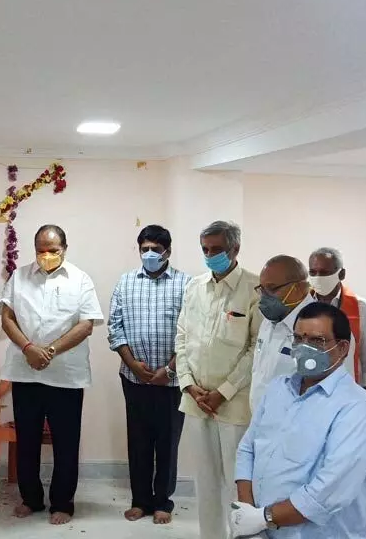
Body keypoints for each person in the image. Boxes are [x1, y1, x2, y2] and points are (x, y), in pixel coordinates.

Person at [230, 302, 366, 538]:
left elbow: (328, 491)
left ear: (343, 348)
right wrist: (248, 512)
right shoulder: (277, 389)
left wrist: (264, 518)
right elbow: (247, 449)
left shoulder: (358, 409)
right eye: (298, 338)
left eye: (317, 341)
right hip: (262, 530)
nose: (304, 347)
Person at [0, 224, 104, 525]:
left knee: (66, 441)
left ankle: (63, 503)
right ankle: (30, 498)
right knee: (26, 439)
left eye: (53, 251)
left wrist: (50, 350)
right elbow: (7, 317)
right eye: (41, 250)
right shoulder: (19, 277)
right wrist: (29, 347)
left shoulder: (80, 279)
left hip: (66, 376)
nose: (46, 255)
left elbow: (86, 324)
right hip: (25, 371)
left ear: (64, 249)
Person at [174, 220, 261, 539]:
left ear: (235, 249)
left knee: (237, 484)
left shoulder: (254, 289)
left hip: (234, 406)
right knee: (206, 483)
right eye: (205, 250)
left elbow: (256, 349)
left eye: (216, 250)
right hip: (196, 403)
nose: (210, 256)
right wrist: (188, 383)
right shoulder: (194, 286)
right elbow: (182, 336)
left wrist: (222, 392)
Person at [107, 224, 190, 525]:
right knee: (138, 440)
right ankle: (139, 500)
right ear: (139, 249)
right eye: (145, 249)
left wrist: (169, 369)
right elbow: (114, 327)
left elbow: (191, 331)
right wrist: (132, 364)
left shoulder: (185, 284)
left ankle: (163, 502)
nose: (150, 254)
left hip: (172, 379)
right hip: (134, 378)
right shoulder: (126, 282)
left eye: (156, 249)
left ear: (168, 250)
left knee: (168, 441)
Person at [308, 247, 366, 395]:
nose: (317, 277)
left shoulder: (362, 308)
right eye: (313, 272)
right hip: (308, 392)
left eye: (324, 273)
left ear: (341, 274)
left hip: (347, 394)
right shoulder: (302, 305)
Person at [249, 255, 315, 412]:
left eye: (272, 289)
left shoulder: (319, 328)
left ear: (299, 288)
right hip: (262, 425)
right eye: (262, 289)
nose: (264, 296)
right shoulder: (269, 321)